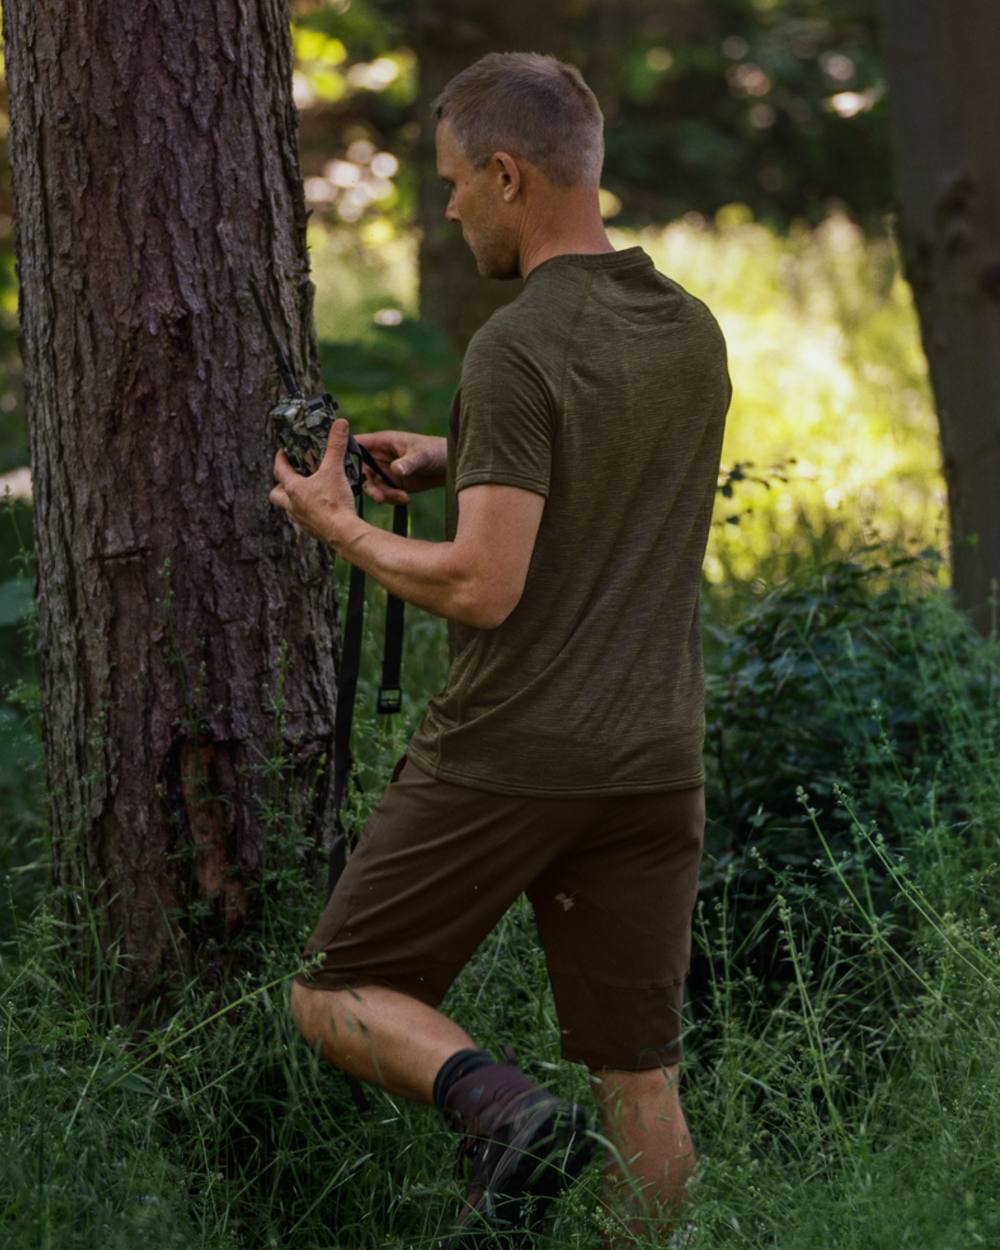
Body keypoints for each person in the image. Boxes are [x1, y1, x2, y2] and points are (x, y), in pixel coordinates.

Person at [269, 51, 731, 1249]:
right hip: (654, 755)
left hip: (515, 748)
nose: (451, 206)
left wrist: (341, 524)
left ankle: (506, 1113)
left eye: (456, 184)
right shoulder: (690, 330)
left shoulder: (517, 344)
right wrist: (459, 450)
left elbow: (482, 582)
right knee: (638, 1075)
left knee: (330, 989)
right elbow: (599, 484)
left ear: (511, 173)